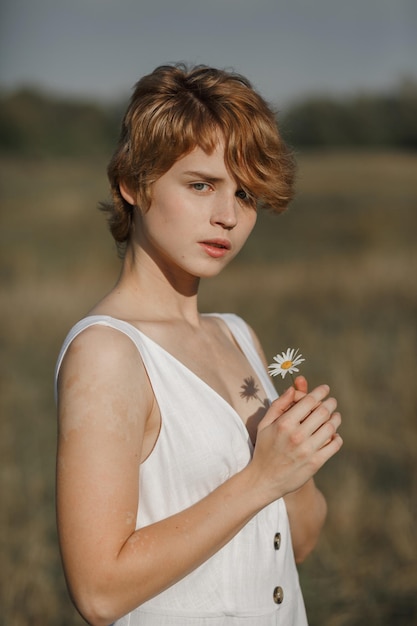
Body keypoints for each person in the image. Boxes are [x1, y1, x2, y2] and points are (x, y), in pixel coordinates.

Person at [55, 63, 343, 626]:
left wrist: (294, 462)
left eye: (246, 193)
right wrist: (261, 478)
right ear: (133, 184)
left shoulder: (237, 333)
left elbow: (302, 543)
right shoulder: (108, 353)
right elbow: (98, 593)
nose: (228, 217)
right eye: (201, 185)